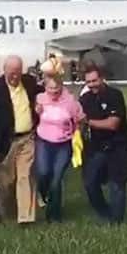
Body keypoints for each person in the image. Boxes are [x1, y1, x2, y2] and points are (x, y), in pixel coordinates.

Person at [0, 55, 42, 224]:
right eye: (11, 73)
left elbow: (47, 93)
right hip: (4, 141)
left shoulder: (30, 83)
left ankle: (26, 218)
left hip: (27, 138)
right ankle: (6, 213)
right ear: (4, 71)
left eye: (17, 72)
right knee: (6, 182)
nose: (15, 76)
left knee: (26, 177)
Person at [79, 63, 127, 224]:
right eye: (88, 82)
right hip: (96, 147)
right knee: (90, 183)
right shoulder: (85, 99)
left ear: (102, 79)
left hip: (118, 145)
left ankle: (116, 223)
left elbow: (113, 124)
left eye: (95, 81)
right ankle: (103, 214)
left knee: (116, 184)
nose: (92, 85)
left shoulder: (115, 95)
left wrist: (88, 122)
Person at [34, 61, 84, 222]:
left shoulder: (70, 102)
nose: (53, 92)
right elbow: (35, 117)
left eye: (56, 89)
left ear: (61, 87)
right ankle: (43, 194)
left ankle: (54, 215)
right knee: (43, 173)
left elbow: (79, 120)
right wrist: (37, 111)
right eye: (50, 89)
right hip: (44, 141)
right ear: (45, 88)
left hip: (63, 143)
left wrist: (78, 134)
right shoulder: (40, 99)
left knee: (56, 179)